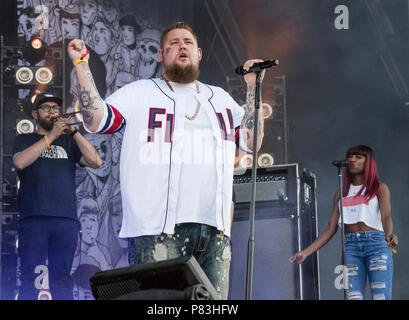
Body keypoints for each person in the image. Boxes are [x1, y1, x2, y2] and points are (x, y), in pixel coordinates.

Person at [67, 21, 265, 299]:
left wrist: (253, 88)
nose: (181, 46)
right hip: (156, 229)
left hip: (215, 231)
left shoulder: (219, 98)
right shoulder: (140, 92)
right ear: (161, 55)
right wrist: (81, 65)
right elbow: (96, 120)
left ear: (199, 53)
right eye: (173, 43)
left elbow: (252, 142)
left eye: (187, 42)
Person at [12, 92, 102, 300]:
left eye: (55, 108)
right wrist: (51, 136)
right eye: (46, 108)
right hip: (34, 219)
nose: (52, 111)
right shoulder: (25, 139)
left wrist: (74, 133)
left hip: (65, 220)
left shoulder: (68, 142)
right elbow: (20, 162)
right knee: (30, 279)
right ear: (35, 114)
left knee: (61, 280)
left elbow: (96, 161)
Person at [290, 145, 398, 300]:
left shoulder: (380, 188)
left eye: (358, 157)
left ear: (369, 163)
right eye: (350, 156)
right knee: (352, 296)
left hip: (376, 246)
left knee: (380, 296)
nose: (352, 160)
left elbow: (386, 216)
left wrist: (389, 233)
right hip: (350, 249)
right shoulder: (341, 193)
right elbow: (331, 228)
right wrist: (305, 252)